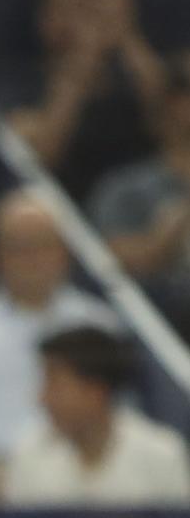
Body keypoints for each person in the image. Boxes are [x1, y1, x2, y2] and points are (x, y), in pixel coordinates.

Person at [0, 187, 116, 495]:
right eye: (18, 247)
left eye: (42, 246)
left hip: (85, 470)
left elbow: (114, 411)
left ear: (64, 252)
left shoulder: (97, 323)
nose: (32, 259)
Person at [1, 0, 166, 206]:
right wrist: (82, 63)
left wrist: (127, 37)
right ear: (44, 18)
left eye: (93, 10)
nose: (86, 22)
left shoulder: (137, 74)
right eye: (69, 9)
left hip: (144, 212)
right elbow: (37, 157)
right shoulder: (19, 87)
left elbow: (174, 117)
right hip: (62, 215)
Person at [1, 325, 190, 506]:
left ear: (95, 392)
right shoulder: (28, 456)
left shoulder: (161, 455)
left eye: (54, 385)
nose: (42, 399)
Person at [90, 54, 190, 320]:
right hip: (167, 319)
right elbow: (108, 266)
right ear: (172, 102)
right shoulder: (125, 189)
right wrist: (167, 233)